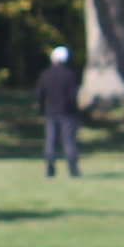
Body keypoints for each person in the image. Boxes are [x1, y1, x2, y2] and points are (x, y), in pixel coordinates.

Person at [34, 46, 80, 178]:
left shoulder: (46, 75)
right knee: (69, 142)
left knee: (50, 142)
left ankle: (50, 170)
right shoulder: (70, 75)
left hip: (51, 112)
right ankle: (73, 171)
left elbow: (40, 95)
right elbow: (73, 96)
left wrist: (41, 108)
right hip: (68, 113)